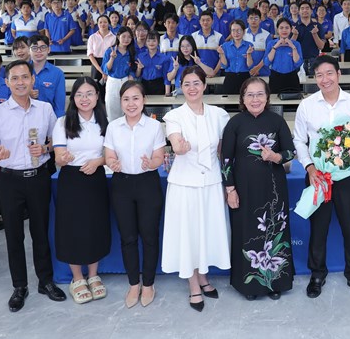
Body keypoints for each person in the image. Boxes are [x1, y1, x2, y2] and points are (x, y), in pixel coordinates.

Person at [0, 60, 66, 312]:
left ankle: (45, 281)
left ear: (32, 80)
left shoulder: (45, 109)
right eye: (14, 78)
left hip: (39, 177)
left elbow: (57, 141)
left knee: (41, 232)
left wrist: (46, 148)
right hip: (9, 180)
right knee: (14, 236)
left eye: (25, 77)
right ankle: (19, 286)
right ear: (7, 82)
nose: (20, 82)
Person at [293, 55, 350, 299]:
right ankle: (317, 274)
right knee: (318, 229)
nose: (324, 79)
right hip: (318, 177)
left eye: (329, 73)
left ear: (338, 74)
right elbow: (299, 140)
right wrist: (309, 168)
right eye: (319, 75)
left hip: (346, 176)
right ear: (315, 79)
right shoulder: (307, 105)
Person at [220, 77, 296, 300]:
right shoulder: (234, 123)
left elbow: (290, 152)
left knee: (274, 232)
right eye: (250, 95)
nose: (255, 99)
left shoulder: (277, 121)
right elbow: (226, 160)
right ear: (243, 98)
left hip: (274, 190)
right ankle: (249, 287)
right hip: (243, 190)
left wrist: (275, 157)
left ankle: (274, 282)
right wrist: (230, 190)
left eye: (260, 94)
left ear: (267, 97)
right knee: (247, 235)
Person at [162, 67, 231, 311]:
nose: (192, 88)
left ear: (204, 85)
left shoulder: (219, 115)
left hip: (211, 183)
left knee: (206, 232)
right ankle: (193, 284)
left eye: (196, 83)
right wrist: (180, 147)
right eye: (187, 84)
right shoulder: (174, 116)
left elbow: (223, 152)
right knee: (189, 233)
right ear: (181, 87)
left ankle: (203, 276)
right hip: (185, 184)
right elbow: (176, 143)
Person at [103, 80, 165, 308]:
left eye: (136, 98)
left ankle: (148, 283)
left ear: (144, 100)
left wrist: (151, 163)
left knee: (149, 236)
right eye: (126, 99)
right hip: (122, 185)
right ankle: (133, 283)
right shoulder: (113, 127)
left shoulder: (154, 126)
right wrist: (112, 162)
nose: (131, 104)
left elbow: (159, 157)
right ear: (120, 102)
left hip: (148, 183)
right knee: (128, 237)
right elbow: (109, 155)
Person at [52, 77, 111, 305]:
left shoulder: (105, 122)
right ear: (73, 98)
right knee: (72, 228)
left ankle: (93, 275)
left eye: (89, 94)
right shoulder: (63, 122)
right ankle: (77, 278)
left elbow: (111, 154)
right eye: (79, 94)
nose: (84, 99)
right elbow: (58, 157)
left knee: (95, 226)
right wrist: (63, 158)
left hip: (95, 178)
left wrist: (98, 162)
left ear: (97, 96)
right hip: (71, 179)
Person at [102, 27, 137, 121]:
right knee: (112, 108)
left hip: (126, 81)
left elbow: (133, 69)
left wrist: (131, 76)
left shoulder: (131, 52)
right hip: (113, 82)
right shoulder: (110, 51)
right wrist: (112, 58)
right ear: (118, 36)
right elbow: (105, 70)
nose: (126, 39)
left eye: (129, 37)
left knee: (126, 109)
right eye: (124, 36)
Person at [28, 34, 66, 118]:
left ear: (49, 50)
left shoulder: (57, 74)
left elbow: (59, 106)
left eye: (43, 47)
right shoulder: (22, 72)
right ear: (29, 51)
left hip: (48, 118)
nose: (39, 51)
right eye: (34, 48)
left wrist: (58, 122)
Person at [266, 18, 304, 94]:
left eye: (287, 28)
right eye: (281, 28)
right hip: (275, 77)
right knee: (274, 100)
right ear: (277, 30)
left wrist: (293, 47)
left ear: (291, 29)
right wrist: (275, 47)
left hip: (292, 77)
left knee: (293, 100)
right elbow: (267, 62)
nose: (284, 30)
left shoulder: (296, 44)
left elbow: (298, 63)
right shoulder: (271, 43)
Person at [218, 19, 254, 94]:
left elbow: (250, 66)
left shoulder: (249, 45)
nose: (236, 33)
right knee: (229, 101)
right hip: (230, 77)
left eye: (239, 30)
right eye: (233, 30)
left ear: (244, 31)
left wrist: (249, 54)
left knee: (245, 100)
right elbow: (224, 66)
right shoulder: (225, 46)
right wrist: (221, 54)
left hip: (244, 77)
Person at [86, 14, 116, 83]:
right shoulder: (92, 37)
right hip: (96, 64)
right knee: (96, 86)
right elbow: (90, 55)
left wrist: (106, 70)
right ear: (97, 24)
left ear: (109, 24)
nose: (103, 24)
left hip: (109, 63)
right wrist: (102, 71)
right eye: (100, 22)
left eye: (105, 22)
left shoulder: (114, 38)